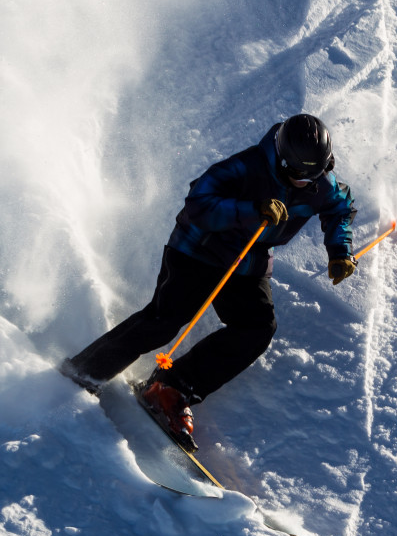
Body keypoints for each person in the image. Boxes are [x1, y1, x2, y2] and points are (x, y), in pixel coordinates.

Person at [60, 113, 358, 451]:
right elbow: (198, 203)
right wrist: (252, 209)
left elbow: (340, 207)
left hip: (248, 261)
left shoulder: (320, 182)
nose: (304, 183)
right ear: (282, 157)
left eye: (313, 175)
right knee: (165, 320)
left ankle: (170, 387)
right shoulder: (246, 167)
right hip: (199, 249)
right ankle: (84, 371)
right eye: (296, 175)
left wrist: (339, 250)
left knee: (256, 328)